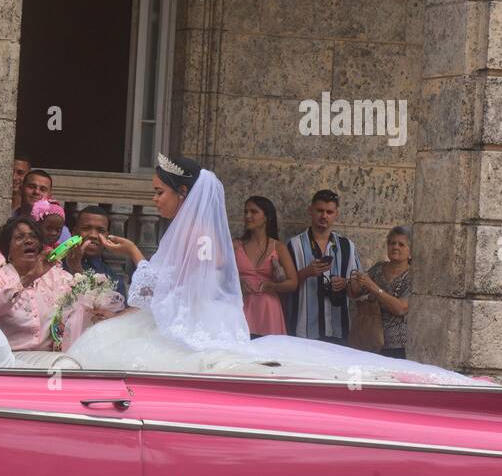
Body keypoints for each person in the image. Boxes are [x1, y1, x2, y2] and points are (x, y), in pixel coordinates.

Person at [66, 154, 475, 385]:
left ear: (183, 193)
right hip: (185, 325)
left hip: (197, 333)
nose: (154, 200)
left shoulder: (200, 235)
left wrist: (136, 252)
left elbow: (182, 294)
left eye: (159, 192)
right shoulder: (187, 230)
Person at [284, 189, 362, 344]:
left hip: (338, 328)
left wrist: (345, 284)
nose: (324, 216)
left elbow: (357, 290)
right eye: (319, 210)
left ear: (336, 214)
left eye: (329, 212)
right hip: (304, 330)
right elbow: (284, 286)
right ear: (310, 211)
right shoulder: (294, 245)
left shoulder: (347, 246)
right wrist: (307, 272)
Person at [0, 216, 73, 351]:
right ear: (7, 250)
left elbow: (81, 296)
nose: (29, 241)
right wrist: (29, 277)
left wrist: (76, 266)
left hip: (50, 358)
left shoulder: (55, 276)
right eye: (19, 237)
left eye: (33, 237)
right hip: (11, 358)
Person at [234, 196, 297, 337]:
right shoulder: (236, 245)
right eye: (245, 212)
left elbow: (293, 282)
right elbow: (218, 274)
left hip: (269, 310)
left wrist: (271, 286)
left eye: (254, 212)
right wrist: (237, 280)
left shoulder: (278, 247)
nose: (247, 216)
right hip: (242, 307)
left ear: (267, 217)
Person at [351, 226, 413, 358]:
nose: (395, 247)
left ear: (410, 251)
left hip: (397, 346)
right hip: (371, 340)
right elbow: (356, 292)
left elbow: (401, 308)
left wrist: (373, 288)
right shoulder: (378, 268)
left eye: (401, 244)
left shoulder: (412, 276)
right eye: (392, 243)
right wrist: (350, 282)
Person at [60, 205, 130, 294]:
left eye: (100, 230)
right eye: (86, 228)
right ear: (74, 232)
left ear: (106, 236)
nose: (93, 235)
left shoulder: (114, 280)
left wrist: (77, 269)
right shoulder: (55, 269)